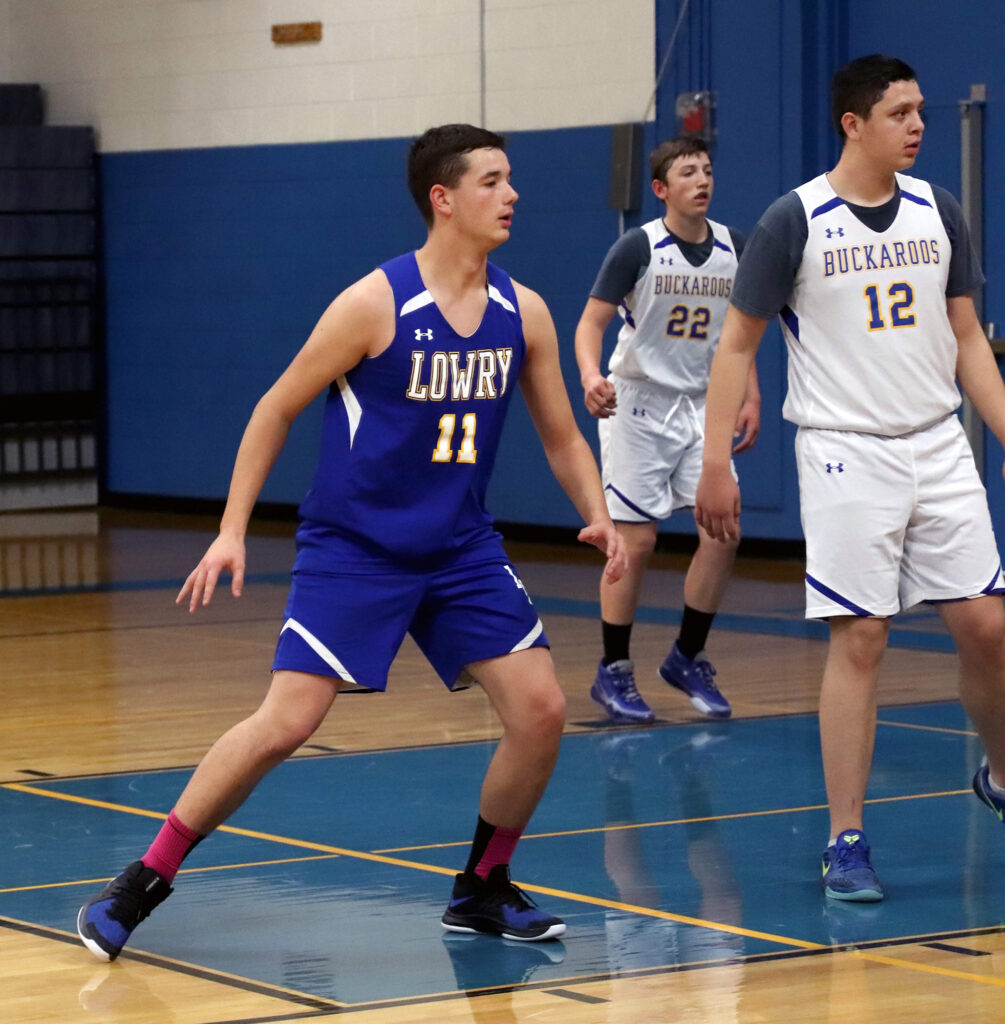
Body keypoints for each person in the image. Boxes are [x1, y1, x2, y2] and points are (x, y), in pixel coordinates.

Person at [76, 123, 626, 960]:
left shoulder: (526, 312)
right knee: (287, 722)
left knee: (541, 708)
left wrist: (596, 509)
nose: (510, 194)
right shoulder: (375, 303)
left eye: (509, 179)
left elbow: (560, 435)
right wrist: (230, 531)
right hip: (357, 548)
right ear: (442, 200)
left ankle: (481, 887)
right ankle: (141, 881)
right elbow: (275, 406)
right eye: (490, 181)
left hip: (459, 549)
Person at [695, 54, 1005, 901]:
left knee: (986, 626)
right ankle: (845, 837)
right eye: (899, 113)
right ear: (852, 123)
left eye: (920, 113)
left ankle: (1001, 776)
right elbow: (735, 345)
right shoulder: (793, 219)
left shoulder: (940, 211)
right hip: (843, 449)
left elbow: (967, 337)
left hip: (937, 442)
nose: (915, 126)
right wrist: (715, 459)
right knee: (860, 638)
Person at [575, 135, 760, 724]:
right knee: (638, 541)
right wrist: (586, 375)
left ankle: (687, 655)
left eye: (707, 169)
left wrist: (749, 393)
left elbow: (742, 334)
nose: (702, 180)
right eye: (688, 172)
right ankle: (614, 669)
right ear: (661, 189)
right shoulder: (638, 247)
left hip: (705, 402)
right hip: (639, 403)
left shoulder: (736, 245)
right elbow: (589, 324)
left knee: (723, 530)